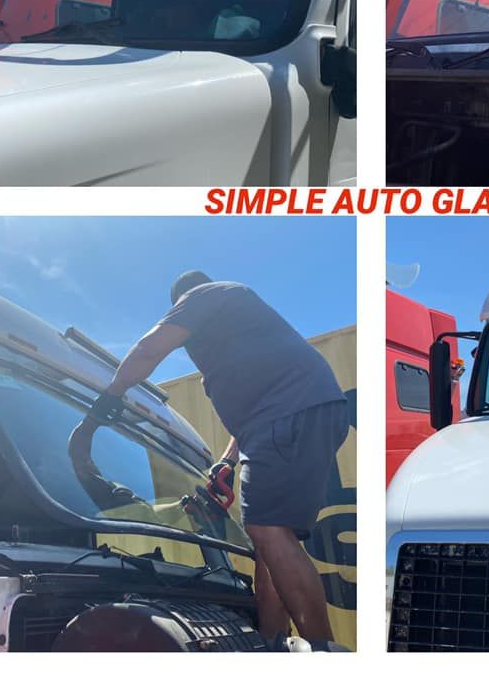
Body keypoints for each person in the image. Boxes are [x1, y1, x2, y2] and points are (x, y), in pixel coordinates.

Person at [70, 270, 349, 645]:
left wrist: (102, 407)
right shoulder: (239, 343)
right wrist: (227, 462)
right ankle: (270, 642)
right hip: (300, 414)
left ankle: (324, 651)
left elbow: (149, 350)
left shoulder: (206, 294)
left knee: (267, 531)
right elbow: (248, 419)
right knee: (270, 541)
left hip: (287, 413)